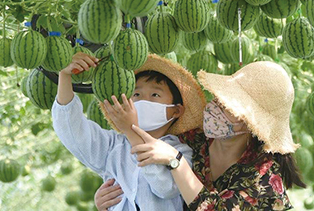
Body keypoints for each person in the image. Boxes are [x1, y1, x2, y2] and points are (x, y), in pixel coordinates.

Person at [95, 61, 306, 210]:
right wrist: (111, 199)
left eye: (225, 105)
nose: (213, 107)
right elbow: (143, 171)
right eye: (217, 98)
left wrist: (176, 162)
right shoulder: (194, 139)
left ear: (250, 124)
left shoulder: (265, 180)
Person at [52, 53, 206, 210]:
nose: (143, 100)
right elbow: (71, 130)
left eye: (155, 95)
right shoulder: (113, 146)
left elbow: (165, 188)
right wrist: (65, 76)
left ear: (176, 111)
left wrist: (132, 132)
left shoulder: (180, 152)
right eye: (136, 94)